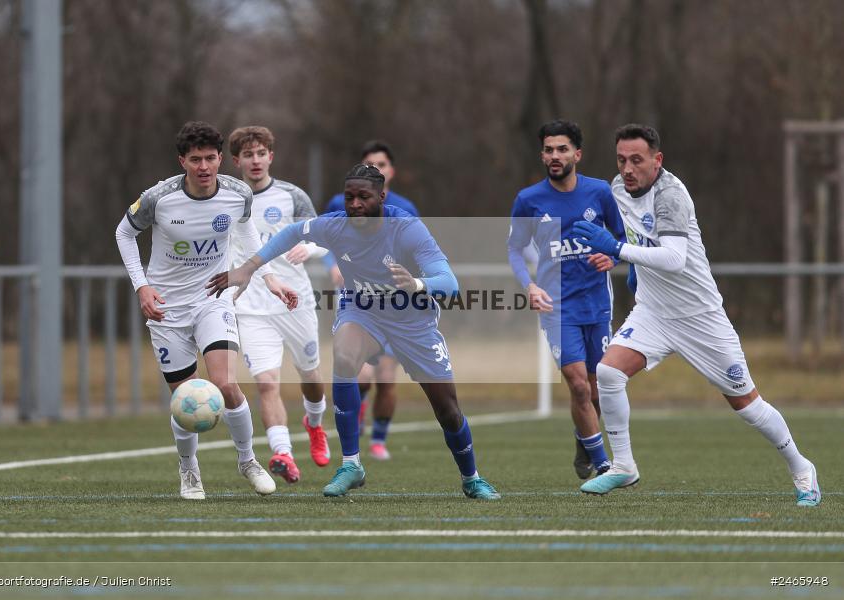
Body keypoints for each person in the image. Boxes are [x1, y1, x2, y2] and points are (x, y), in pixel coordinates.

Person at [208, 164, 501, 500]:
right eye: (349, 197)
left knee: (447, 410)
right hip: (363, 312)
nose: (356, 204)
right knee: (344, 357)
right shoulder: (335, 226)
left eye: (364, 197)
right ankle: (351, 464)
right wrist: (248, 268)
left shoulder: (406, 228)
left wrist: (417, 283)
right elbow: (292, 233)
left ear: (382, 196)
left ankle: (472, 478)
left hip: (412, 321)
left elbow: (449, 283)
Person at [571, 124, 820, 506]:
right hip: (653, 312)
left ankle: (802, 467)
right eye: (621, 160)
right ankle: (623, 466)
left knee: (748, 406)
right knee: (607, 372)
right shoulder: (618, 189)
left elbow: (673, 258)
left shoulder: (671, 195)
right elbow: (634, 237)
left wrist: (619, 250)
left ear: (658, 160)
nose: (627, 169)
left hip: (700, 318)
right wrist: (622, 255)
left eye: (637, 160)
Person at [115, 121, 298, 500]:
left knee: (227, 383)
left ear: (220, 160)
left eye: (211, 159)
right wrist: (142, 286)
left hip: (212, 300)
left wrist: (268, 278)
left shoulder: (237, 194)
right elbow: (124, 233)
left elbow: (247, 234)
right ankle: (189, 471)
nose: (204, 167)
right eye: (195, 159)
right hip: (166, 310)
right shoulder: (158, 198)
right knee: (185, 400)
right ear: (182, 161)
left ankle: (248, 461)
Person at [507, 120, 624, 481]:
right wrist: (528, 285)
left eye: (561, 149)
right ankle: (603, 463)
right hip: (557, 306)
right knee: (577, 384)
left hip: (596, 303)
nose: (554, 156)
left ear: (577, 153)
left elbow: (621, 237)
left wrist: (614, 257)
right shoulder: (529, 199)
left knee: (597, 388)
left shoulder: (600, 192)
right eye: (548, 150)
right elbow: (513, 249)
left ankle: (583, 440)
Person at [228, 125, 331, 484]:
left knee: (310, 375)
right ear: (237, 160)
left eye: (261, 154)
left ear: (270, 156)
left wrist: (311, 248)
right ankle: (283, 453)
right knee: (267, 383)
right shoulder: (228, 198)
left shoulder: (292, 196)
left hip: (294, 300)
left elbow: (322, 237)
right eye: (247, 155)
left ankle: (314, 424)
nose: (255, 161)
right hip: (252, 305)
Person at [323, 141, 419, 461]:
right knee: (359, 374)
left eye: (382, 163)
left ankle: (379, 440)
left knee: (387, 379)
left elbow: (415, 249)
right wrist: (332, 265)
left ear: (392, 171)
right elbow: (325, 240)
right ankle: (356, 418)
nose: (377, 168)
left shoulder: (405, 208)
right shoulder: (341, 202)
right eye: (369, 162)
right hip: (356, 299)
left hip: (392, 303)